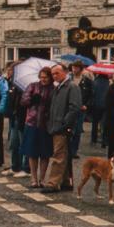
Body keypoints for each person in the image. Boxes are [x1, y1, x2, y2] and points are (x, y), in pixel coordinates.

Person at [42, 64, 82, 193]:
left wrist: (65, 124)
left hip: (63, 127)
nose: (54, 76)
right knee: (63, 154)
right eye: (53, 74)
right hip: (55, 126)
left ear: (65, 72)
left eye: (57, 73)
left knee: (58, 155)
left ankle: (53, 183)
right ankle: (65, 181)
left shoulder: (72, 87)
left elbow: (75, 108)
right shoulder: (58, 87)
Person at [20, 67, 54, 188]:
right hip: (32, 123)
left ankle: (42, 178)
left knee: (45, 154)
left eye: (46, 77)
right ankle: (33, 178)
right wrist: (31, 100)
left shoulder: (53, 89)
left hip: (46, 124)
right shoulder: (33, 86)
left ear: (50, 77)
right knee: (32, 153)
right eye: (41, 77)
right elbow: (23, 101)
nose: (43, 79)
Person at [3, 63, 29, 177]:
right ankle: (15, 166)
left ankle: (26, 168)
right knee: (14, 143)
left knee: (24, 143)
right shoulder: (12, 83)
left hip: (23, 117)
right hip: (15, 117)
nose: (10, 73)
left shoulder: (25, 84)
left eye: (12, 70)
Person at [69, 61, 94, 159]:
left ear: (80, 69)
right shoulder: (68, 79)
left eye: (76, 68)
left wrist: (86, 105)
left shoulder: (87, 81)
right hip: (69, 108)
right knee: (68, 129)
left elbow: (92, 95)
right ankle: (67, 150)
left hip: (80, 109)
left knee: (77, 130)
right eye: (73, 67)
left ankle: (74, 151)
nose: (74, 70)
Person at [90, 69, 110, 147]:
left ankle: (93, 139)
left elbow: (92, 93)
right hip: (105, 106)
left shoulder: (95, 82)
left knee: (94, 123)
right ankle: (104, 141)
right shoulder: (108, 83)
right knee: (104, 124)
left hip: (96, 105)